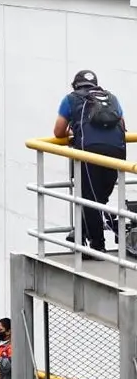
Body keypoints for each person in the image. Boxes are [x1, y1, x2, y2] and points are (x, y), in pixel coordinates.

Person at [53, 70, 126, 254]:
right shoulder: (112, 98)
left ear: (75, 85)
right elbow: (123, 126)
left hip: (90, 152)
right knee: (100, 198)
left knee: (89, 199)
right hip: (117, 152)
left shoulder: (70, 99)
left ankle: (97, 247)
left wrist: (73, 133)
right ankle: (83, 232)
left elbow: (58, 131)